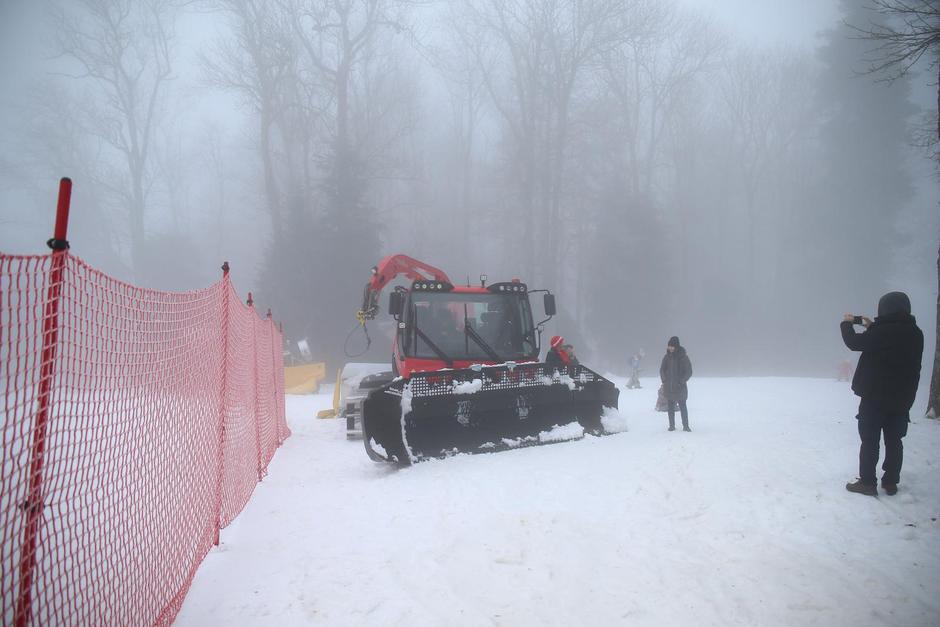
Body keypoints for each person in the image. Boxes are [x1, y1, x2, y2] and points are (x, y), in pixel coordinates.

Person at [841, 291, 923, 496]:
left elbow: (854, 343)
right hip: (902, 399)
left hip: (874, 397)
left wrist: (847, 324)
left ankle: (868, 482)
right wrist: (873, 326)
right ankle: (890, 482)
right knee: (895, 441)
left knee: (870, 440)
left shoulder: (881, 332)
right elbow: (892, 343)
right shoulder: (915, 333)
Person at [660, 336, 693, 431]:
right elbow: (662, 370)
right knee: (670, 407)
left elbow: (689, 371)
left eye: (671, 346)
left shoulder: (683, 357)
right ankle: (672, 426)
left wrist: (681, 381)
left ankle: (686, 426)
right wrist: (664, 380)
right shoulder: (666, 357)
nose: (669, 348)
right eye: (669, 346)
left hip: (680, 387)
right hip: (669, 387)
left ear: (676, 346)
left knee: (683, 406)